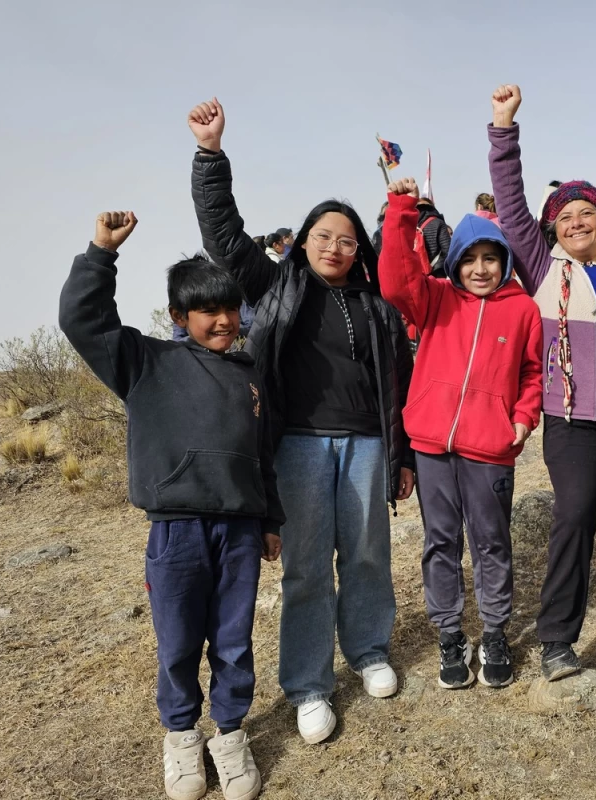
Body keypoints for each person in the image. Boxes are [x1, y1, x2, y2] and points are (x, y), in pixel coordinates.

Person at [187, 98, 416, 746]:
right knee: (308, 567)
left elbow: (398, 382)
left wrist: (403, 454)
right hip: (299, 447)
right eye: (323, 236)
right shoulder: (275, 286)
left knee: (367, 555)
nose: (334, 247)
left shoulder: (375, 305)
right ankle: (310, 685)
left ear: (357, 247)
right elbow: (224, 236)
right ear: (305, 240)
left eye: (346, 239)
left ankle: (369, 650)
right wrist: (209, 155)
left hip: (367, 444)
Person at [60, 211, 283, 800]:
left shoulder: (250, 375)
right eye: (208, 310)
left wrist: (270, 520)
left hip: (239, 532)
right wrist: (101, 253)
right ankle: (182, 736)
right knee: (178, 641)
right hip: (176, 532)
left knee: (233, 640)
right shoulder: (145, 362)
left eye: (230, 308)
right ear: (179, 317)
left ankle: (230, 734)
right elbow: (82, 319)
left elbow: (262, 454)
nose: (224, 320)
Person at [488, 83, 596, 683]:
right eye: (564, 217)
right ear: (552, 230)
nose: (576, 222)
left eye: (586, 212)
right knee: (573, 519)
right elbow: (511, 205)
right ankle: (558, 639)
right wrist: (503, 129)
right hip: (569, 423)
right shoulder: (542, 268)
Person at [379, 176, 543, 691]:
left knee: (492, 542)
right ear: (453, 263)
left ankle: (494, 632)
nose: (480, 269)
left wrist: (523, 417)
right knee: (440, 541)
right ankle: (450, 633)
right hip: (432, 446)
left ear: (505, 262)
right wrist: (401, 210)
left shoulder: (523, 309)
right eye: (469, 259)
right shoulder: (434, 298)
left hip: (491, 448)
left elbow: (533, 372)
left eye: (490, 258)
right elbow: (395, 281)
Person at [416, 197, 453, 277]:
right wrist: (439, 268)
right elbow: (447, 250)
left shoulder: (410, 224)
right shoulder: (438, 222)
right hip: (436, 273)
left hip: (417, 273)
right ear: (432, 207)